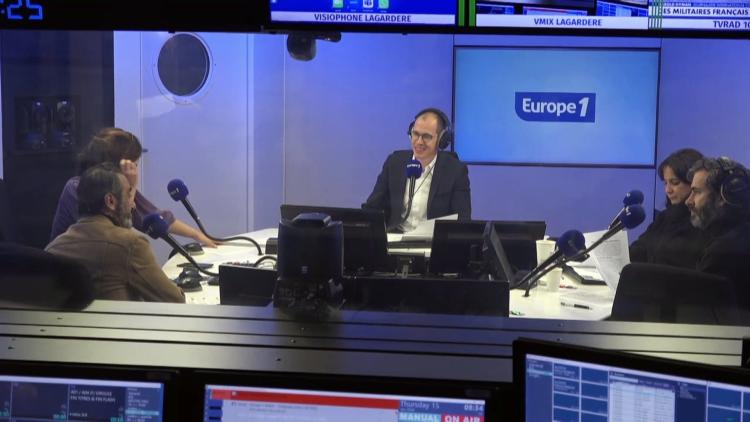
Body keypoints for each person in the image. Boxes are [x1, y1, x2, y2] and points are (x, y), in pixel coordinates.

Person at [49, 127, 216, 247]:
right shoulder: (77, 189)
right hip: (72, 275)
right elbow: (118, 232)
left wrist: (198, 235)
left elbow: (155, 216)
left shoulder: (115, 188)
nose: (135, 170)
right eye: (133, 165)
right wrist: (132, 185)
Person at [46, 163, 185, 303]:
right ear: (110, 201)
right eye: (128, 195)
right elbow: (174, 300)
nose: (133, 204)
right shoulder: (130, 244)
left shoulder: (53, 248)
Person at [362, 108, 471, 232]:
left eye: (426, 137)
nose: (419, 142)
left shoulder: (455, 171)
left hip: (434, 241)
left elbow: (462, 220)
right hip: (395, 238)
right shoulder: (394, 163)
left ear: (441, 139)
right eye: (415, 134)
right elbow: (373, 207)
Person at [685, 156, 750, 309]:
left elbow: (697, 309)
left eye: (697, 192)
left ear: (724, 196)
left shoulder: (724, 251)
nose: (688, 201)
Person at [629, 148, 707, 268]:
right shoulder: (665, 216)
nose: (668, 190)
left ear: (694, 182)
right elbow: (640, 248)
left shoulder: (703, 222)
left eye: (675, 182)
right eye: (666, 183)